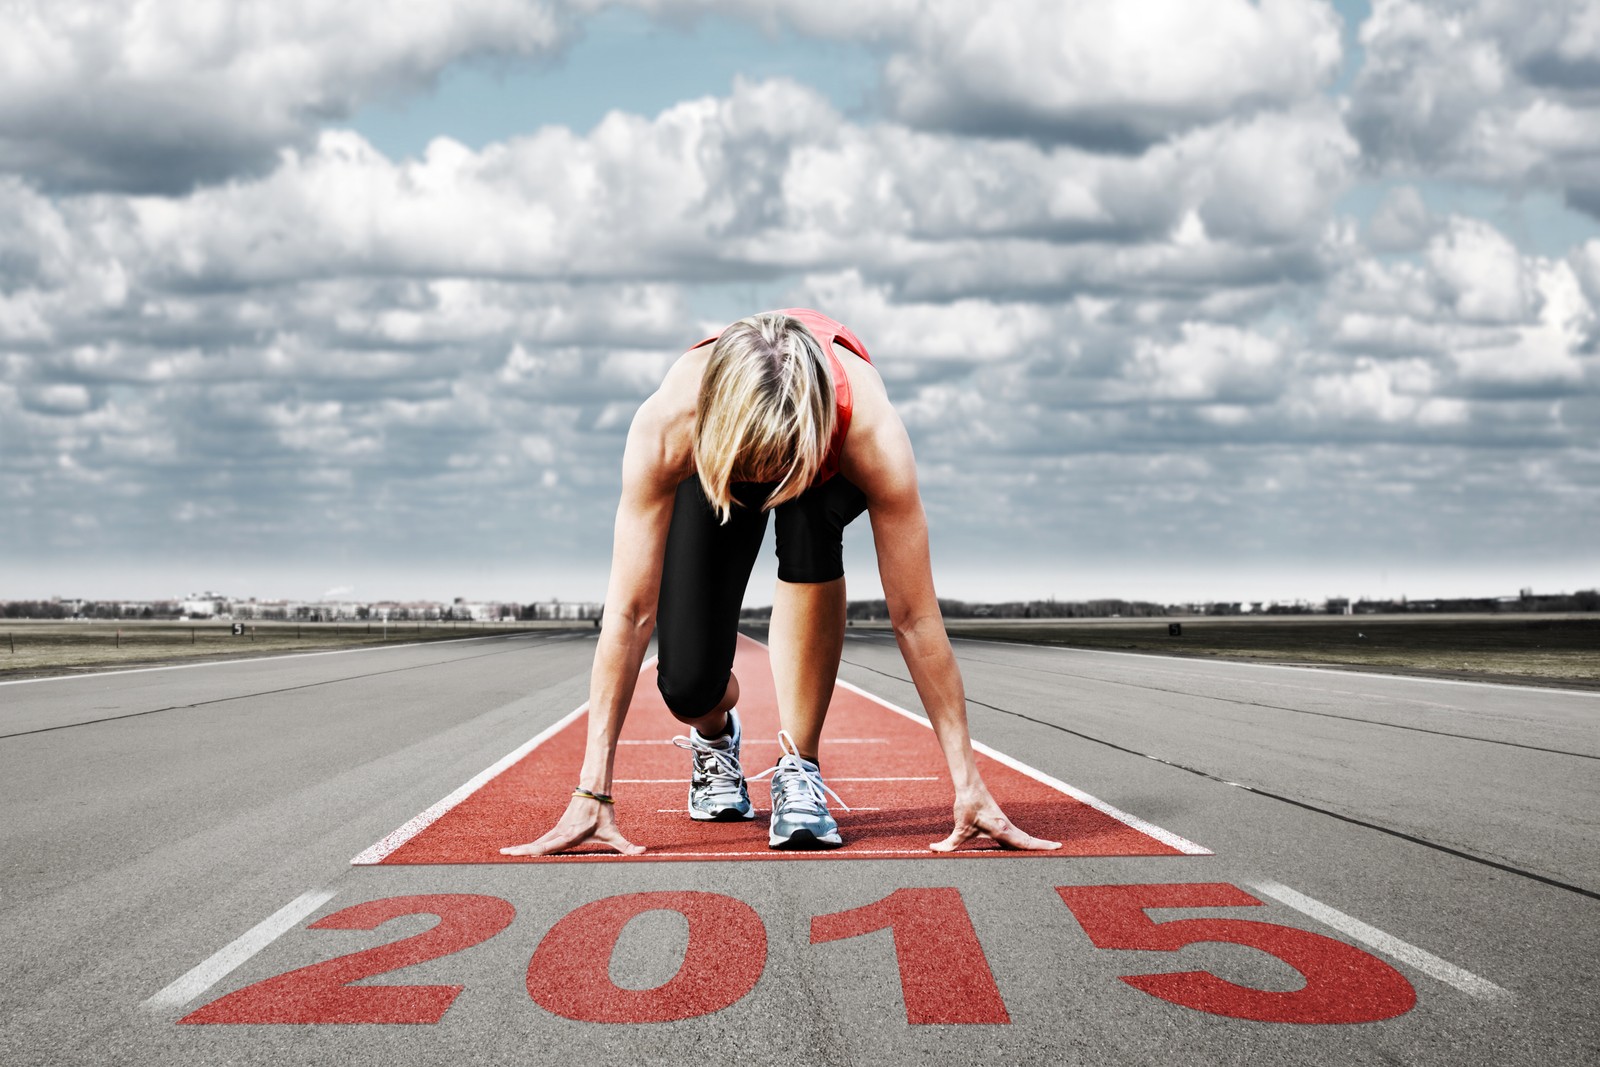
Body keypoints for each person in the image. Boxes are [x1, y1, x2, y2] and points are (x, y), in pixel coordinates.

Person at [502, 309, 1058, 856]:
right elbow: (629, 613)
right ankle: (717, 735)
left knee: (811, 522)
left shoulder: (870, 431)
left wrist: (969, 787)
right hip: (721, 457)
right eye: (758, 470)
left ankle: (800, 768)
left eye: (779, 469)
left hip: (821, 456)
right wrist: (591, 791)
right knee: (687, 686)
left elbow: (914, 616)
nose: (770, 488)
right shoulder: (670, 424)